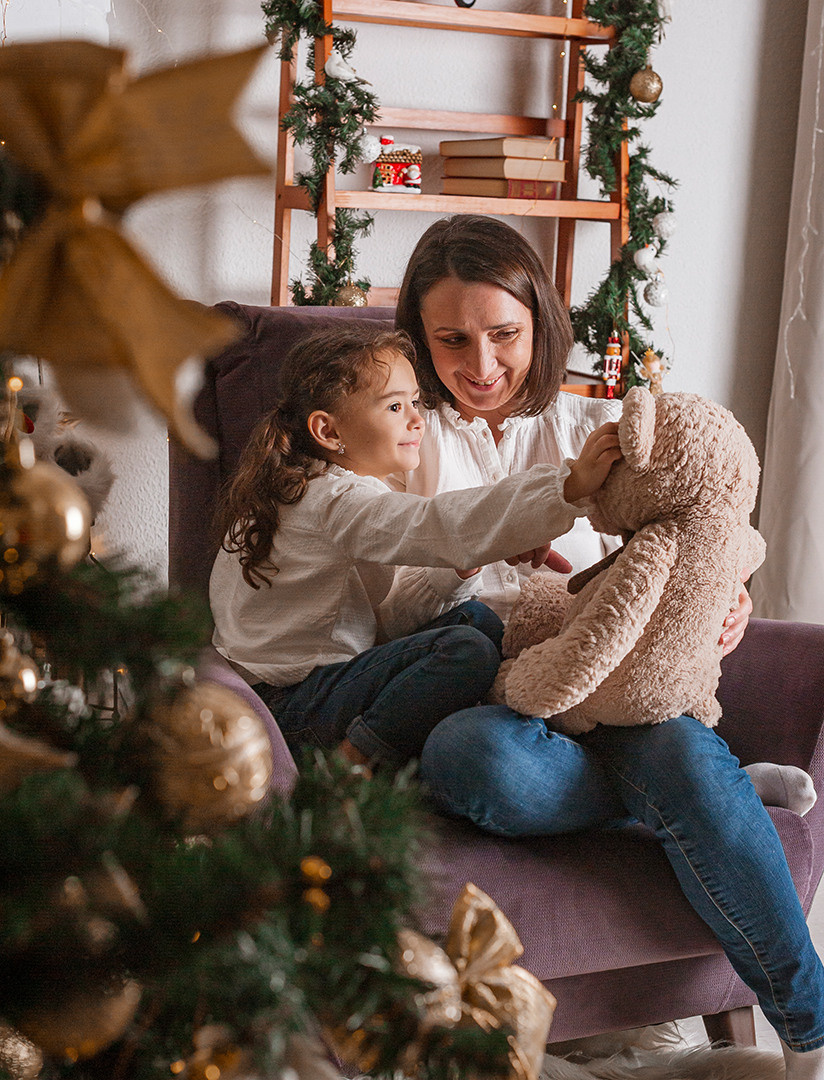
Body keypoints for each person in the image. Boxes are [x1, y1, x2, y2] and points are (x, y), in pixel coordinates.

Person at [394, 214, 824, 1079]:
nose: (481, 365)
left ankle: (810, 1033)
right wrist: (484, 553)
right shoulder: (401, 434)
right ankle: (705, 795)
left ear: (539, 324)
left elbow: (695, 526)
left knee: (671, 745)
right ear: (420, 338)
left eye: (504, 334)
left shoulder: (604, 429)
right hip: (498, 700)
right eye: (452, 340)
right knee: (468, 757)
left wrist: (727, 597)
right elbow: (388, 612)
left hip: (628, 699)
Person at [209, 322, 621, 772]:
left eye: (415, 401)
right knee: (466, 649)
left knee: (477, 620)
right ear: (328, 431)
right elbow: (436, 524)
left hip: (313, 688)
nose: (417, 419)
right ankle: (352, 767)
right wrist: (567, 486)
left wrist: (469, 560)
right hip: (291, 706)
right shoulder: (333, 501)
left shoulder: (297, 486)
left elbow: (391, 621)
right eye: (394, 406)